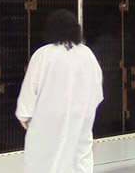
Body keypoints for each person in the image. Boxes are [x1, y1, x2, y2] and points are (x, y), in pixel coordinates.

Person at [16, 9, 103, 173]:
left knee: (45, 162)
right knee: (78, 161)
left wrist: (24, 114)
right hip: (80, 119)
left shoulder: (43, 54)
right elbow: (97, 90)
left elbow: (30, 89)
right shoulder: (87, 54)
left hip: (47, 120)